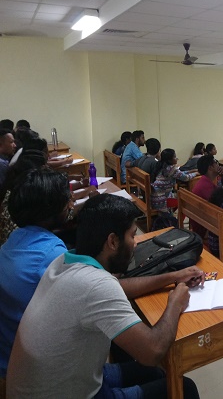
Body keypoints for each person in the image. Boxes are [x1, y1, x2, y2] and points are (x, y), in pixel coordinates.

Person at [6, 194, 202, 398]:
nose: (135, 243)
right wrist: (175, 303)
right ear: (113, 241)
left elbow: (118, 287)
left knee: (154, 373)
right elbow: (153, 351)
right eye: (132, 236)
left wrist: (173, 276)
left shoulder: (63, 262)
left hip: (53, 383)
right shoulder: (96, 285)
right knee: (185, 388)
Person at [0, 168, 72, 379]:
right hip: (38, 372)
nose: (70, 204)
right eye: (66, 200)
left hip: (10, 357)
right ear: (49, 209)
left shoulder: (15, 238)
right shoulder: (51, 253)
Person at [151, 148, 196, 214]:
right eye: (174, 157)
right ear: (169, 160)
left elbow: (179, 173)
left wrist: (191, 171)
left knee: (177, 196)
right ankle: (176, 219)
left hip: (155, 198)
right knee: (185, 204)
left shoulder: (161, 166)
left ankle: (170, 214)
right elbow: (186, 178)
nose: (176, 158)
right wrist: (196, 173)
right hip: (162, 201)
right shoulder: (172, 169)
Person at [190, 154, 223, 237]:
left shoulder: (204, 181)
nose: (218, 165)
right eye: (216, 163)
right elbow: (221, 203)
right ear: (210, 167)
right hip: (205, 228)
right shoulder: (206, 186)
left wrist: (222, 176)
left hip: (201, 222)